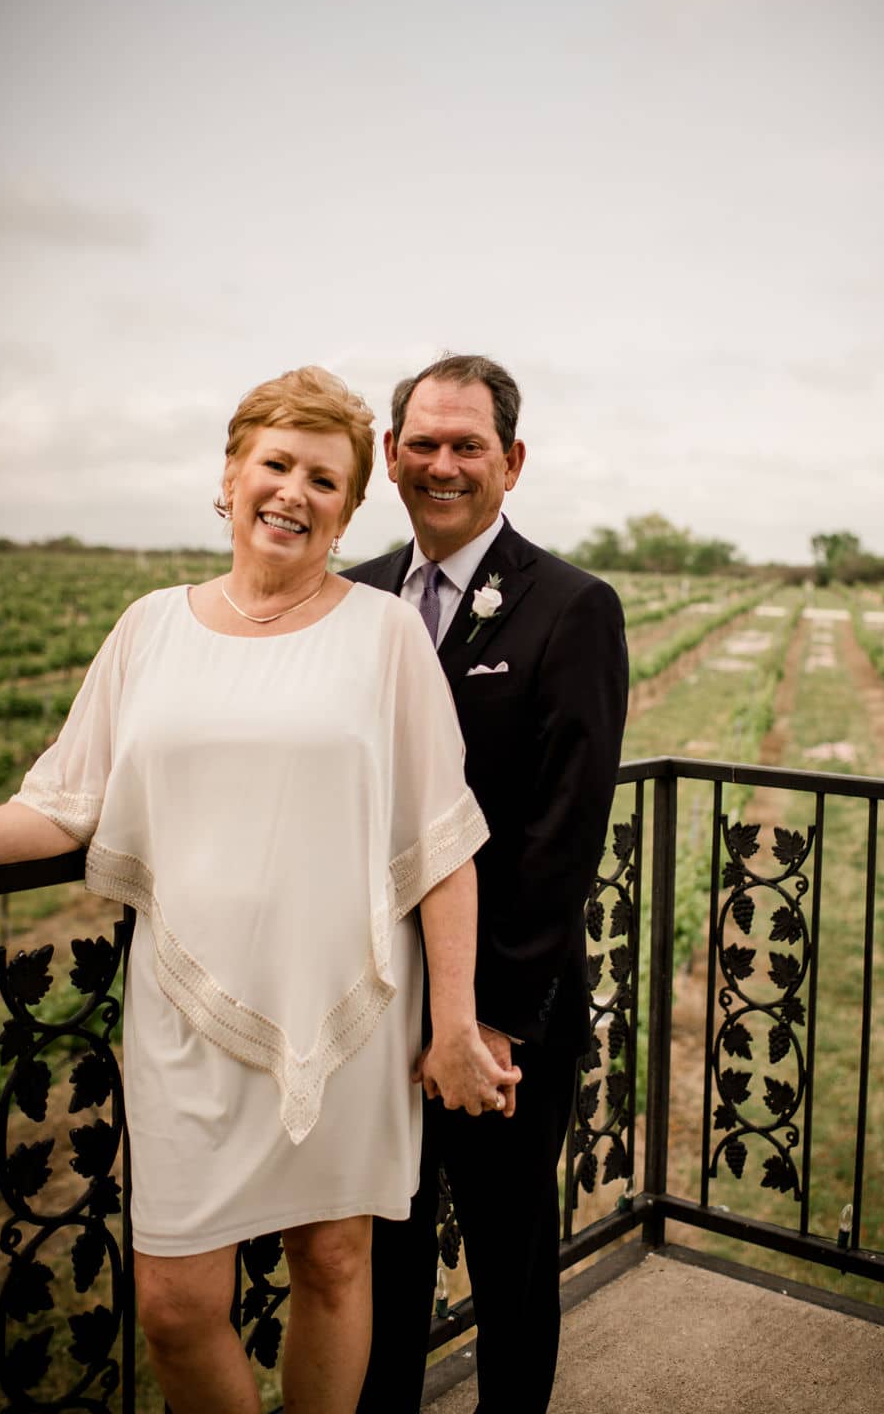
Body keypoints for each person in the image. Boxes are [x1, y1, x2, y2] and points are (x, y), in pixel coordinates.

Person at [0, 365, 518, 1414]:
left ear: (348, 509)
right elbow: (63, 802)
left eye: (324, 478)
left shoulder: (383, 635)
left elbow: (440, 840)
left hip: (350, 1006)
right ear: (228, 480)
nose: (293, 490)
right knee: (178, 1307)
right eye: (275, 464)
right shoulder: (150, 627)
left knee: (333, 1265)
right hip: (185, 1013)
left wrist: (453, 1021)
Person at [346, 353, 628, 1413]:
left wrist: (493, 1020)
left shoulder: (571, 606)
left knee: (507, 1262)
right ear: (389, 456)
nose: (443, 464)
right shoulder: (354, 594)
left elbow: (564, 832)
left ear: (511, 462)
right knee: (382, 1259)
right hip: (366, 1003)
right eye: (422, 443)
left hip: (505, 1010)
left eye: (468, 445)